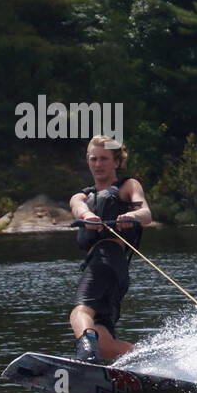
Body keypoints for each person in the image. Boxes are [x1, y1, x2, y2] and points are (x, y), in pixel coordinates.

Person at [68, 136, 152, 363]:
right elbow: (78, 208)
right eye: (93, 159)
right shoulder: (81, 196)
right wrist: (87, 216)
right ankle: (149, 361)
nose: (97, 164)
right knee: (104, 342)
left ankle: (85, 357)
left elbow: (146, 214)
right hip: (113, 272)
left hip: (107, 259)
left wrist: (131, 216)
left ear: (116, 162)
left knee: (80, 312)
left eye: (104, 159)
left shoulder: (128, 186)